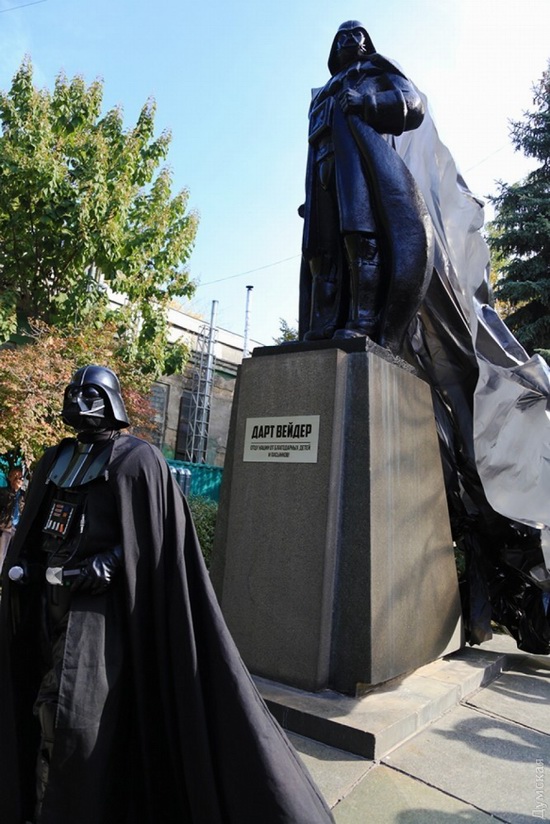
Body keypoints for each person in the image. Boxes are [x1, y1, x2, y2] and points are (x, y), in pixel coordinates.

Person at [0, 364, 335, 824]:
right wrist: (27, 569)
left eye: (91, 395)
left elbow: (156, 535)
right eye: (74, 394)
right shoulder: (54, 458)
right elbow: (38, 529)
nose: (79, 404)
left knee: (70, 719)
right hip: (46, 606)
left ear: (112, 402)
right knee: (38, 704)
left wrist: (114, 559)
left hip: (99, 619)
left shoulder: (137, 460)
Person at [299, 20, 433, 353]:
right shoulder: (323, 93)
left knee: (361, 238)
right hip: (322, 172)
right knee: (321, 251)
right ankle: (323, 323)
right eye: (340, 37)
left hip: (360, 166)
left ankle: (363, 322)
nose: (347, 40)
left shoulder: (375, 69)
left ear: (366, 42)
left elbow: (413, 105)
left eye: (355, 34)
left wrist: (366, 103)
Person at [0, 467, 25, 571]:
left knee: (14, 555)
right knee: (1, 554)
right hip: (5, 527)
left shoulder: (23, 494)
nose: (18, 479)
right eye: (16, 476)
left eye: (20, 477)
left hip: (17, 527)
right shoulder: (4, 492)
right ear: (10, 478)